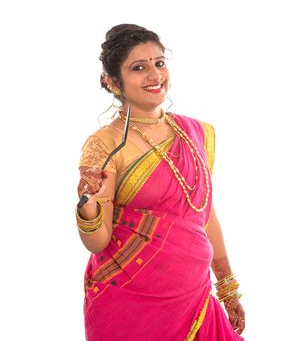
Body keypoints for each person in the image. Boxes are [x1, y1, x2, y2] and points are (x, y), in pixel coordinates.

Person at [75, 24, 245, 341]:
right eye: (139, 68)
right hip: (130, 307)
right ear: (112, 81)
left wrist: (227, 286)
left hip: (195, 300)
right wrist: (89, 206)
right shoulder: (105, 145)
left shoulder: (198, 133)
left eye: (159, 62)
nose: (155, 75)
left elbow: (204, 214)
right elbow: (98, 243)